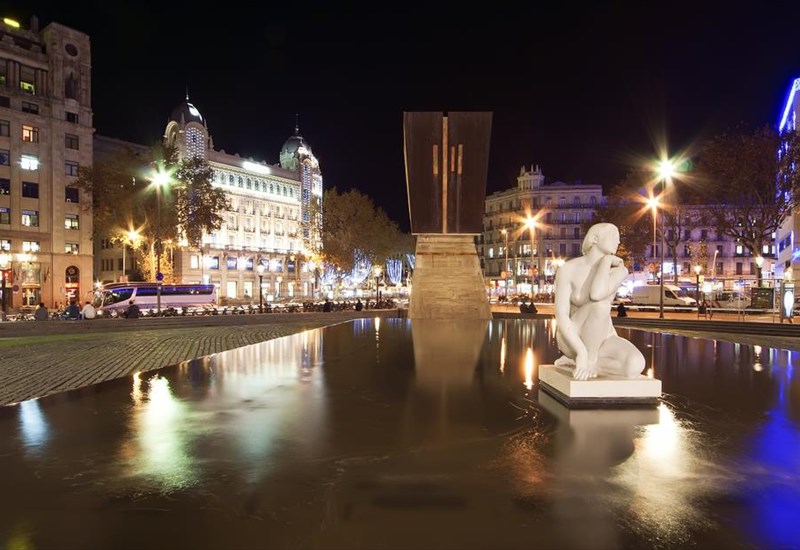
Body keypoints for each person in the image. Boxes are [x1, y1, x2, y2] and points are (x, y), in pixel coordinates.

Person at [554, 222, 645, 381]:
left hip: (602, 336)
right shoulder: (568, 269)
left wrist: (605, 262)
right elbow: (561, 316)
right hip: (572, 336)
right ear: (595, 238)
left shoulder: (619, 270)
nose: (618, 241)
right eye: (613, 236)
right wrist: (581, 352)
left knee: (635, 364)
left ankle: (586, 363)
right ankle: (586, 358)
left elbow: (596, 293)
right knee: (601, 306)